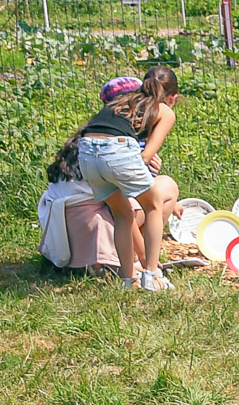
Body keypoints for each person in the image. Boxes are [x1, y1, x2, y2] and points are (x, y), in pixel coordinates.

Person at [73, 65, 183, 290]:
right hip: (117, 149)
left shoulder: (123, 101)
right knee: (153, 205)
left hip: (85, 151)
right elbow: (146, 156)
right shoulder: (164, 110)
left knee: (122, 214)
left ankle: (128, 279)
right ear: (173, 97)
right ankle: (152, 277)